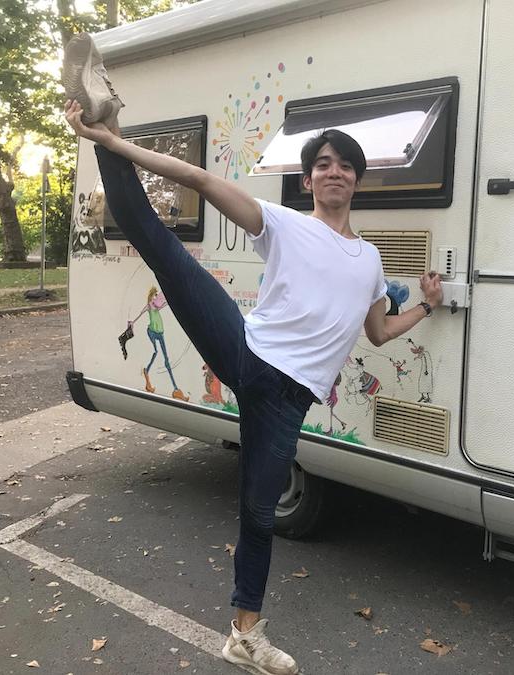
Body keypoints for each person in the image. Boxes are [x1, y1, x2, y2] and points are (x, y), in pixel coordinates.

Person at [62, 33, 443, 675]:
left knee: (260, 513)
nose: (333, 172)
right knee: (161, 246)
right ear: (309, 177)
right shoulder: (285, 223)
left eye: (344, 165)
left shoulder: (372, 260)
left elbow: (377, 333)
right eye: (322, 164)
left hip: (287, 399)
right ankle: (108, 117)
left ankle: (243, 635)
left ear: (357, 179)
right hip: (245, 348)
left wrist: (427, 306)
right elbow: (200, 179)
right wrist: (109, 143)